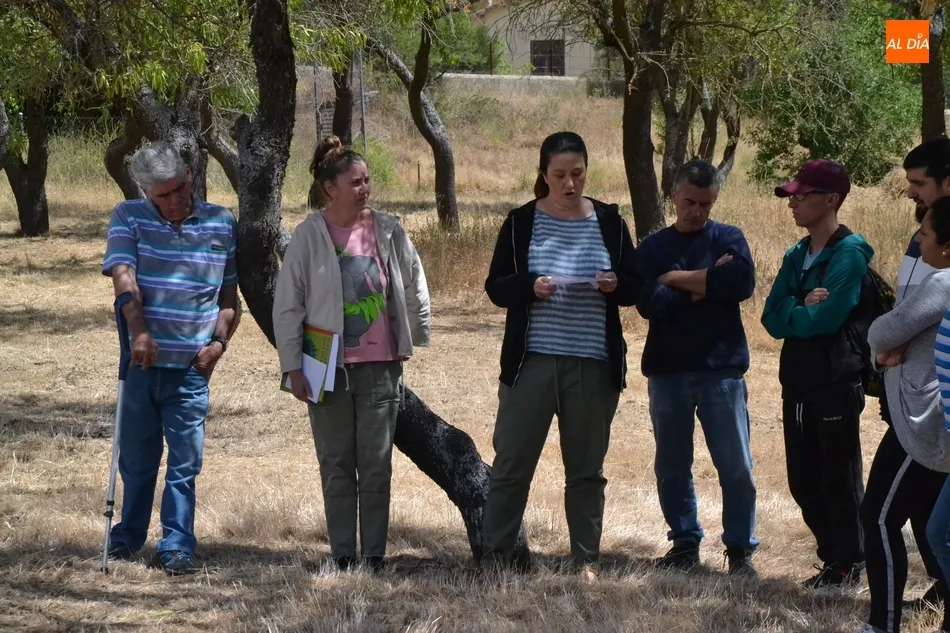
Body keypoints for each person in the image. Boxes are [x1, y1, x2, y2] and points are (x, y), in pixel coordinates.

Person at [480, 131, 638, 583]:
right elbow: (496, 287)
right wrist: (529, 286)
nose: (570, 184)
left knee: (586, 470)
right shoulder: (521, 221)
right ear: (544, 175)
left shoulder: (609, 221)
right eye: (560, 175)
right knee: (512, 464)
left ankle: (585, 560)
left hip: (592, 363)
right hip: (531, 362)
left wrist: (616, 285)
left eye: (578, 174)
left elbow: (635, 287)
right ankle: (495, 556)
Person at [273, 136, 430, 572]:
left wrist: (411, 337)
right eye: (355, 183)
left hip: (380, 367)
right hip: (324, 367)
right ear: (330, 189)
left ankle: (374, 556)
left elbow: (413, 283)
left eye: (367, 181)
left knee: (376, 464)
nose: (365, 189)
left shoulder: (388, 229)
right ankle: (343, 555)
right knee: (336, 463)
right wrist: (292, 366)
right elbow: (288, 306)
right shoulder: (308, 235)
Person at [101, 142, 239, 575]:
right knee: (136, 460)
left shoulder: (221, 222)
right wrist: (139, 332)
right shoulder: (128, 216)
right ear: (146, 193)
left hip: (191, 369)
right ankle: (127, 537)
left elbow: (228, 299)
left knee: (185, 463)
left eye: (180, 188)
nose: (176, 199)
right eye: (164, 195)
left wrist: (218, 345)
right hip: (140, 366)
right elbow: (124, 279)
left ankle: (177, 545)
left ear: (189, 175)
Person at [635, 160, 758, 577]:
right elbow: (650, 303)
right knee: (672, 466)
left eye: (706, 204)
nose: (697, 212)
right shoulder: (653, 248)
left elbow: (740, 284)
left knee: (736, 467)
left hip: (722, 372)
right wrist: (707, 284)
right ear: (673, 195)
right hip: (668, 371)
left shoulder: (728, 237)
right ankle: (684, 544)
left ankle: (740, 550)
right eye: (690, 202)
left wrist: (674, 278)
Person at [761, 159, 872, 588]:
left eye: (802, 196)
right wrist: (799, 305)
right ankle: (834, 560)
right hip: (798, 382)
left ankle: (850, 563)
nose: (793, 203)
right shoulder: (796, 254)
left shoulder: (850, 254)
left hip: (836, 381)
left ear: (831, 200)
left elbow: (827, 319)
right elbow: (770, 318)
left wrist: (796, 309)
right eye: (792, 196)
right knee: (803, 480)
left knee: (839, 479)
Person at [855, 199, 950, 633]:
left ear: (946, 246)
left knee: (879, 517)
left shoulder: (942, 283)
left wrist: (886, 346)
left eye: (925, 233)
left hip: (923, 427)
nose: (918, 239)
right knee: (935, 530)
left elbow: (882, 330)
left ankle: (883, 625)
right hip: (927, 423)